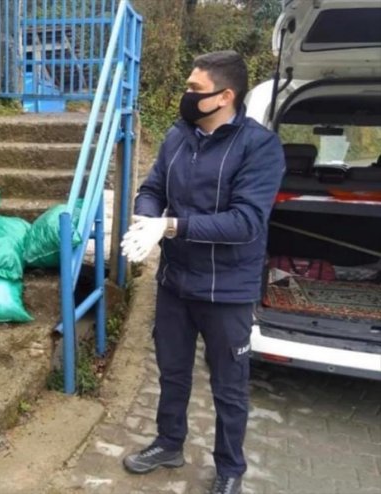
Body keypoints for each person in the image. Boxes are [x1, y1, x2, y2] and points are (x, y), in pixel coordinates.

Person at [120, 51, 285, 494]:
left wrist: (170, 226)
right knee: (172, 372)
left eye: (195, 89)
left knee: (228, 386)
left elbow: (246, 221)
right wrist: (145, 220)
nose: (186, 96)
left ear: (224, 96)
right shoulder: (178, 136)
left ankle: (230, 467)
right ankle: (169, 442)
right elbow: (153, 188)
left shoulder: (259, 147)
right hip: (176, 281)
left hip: (227, 288)